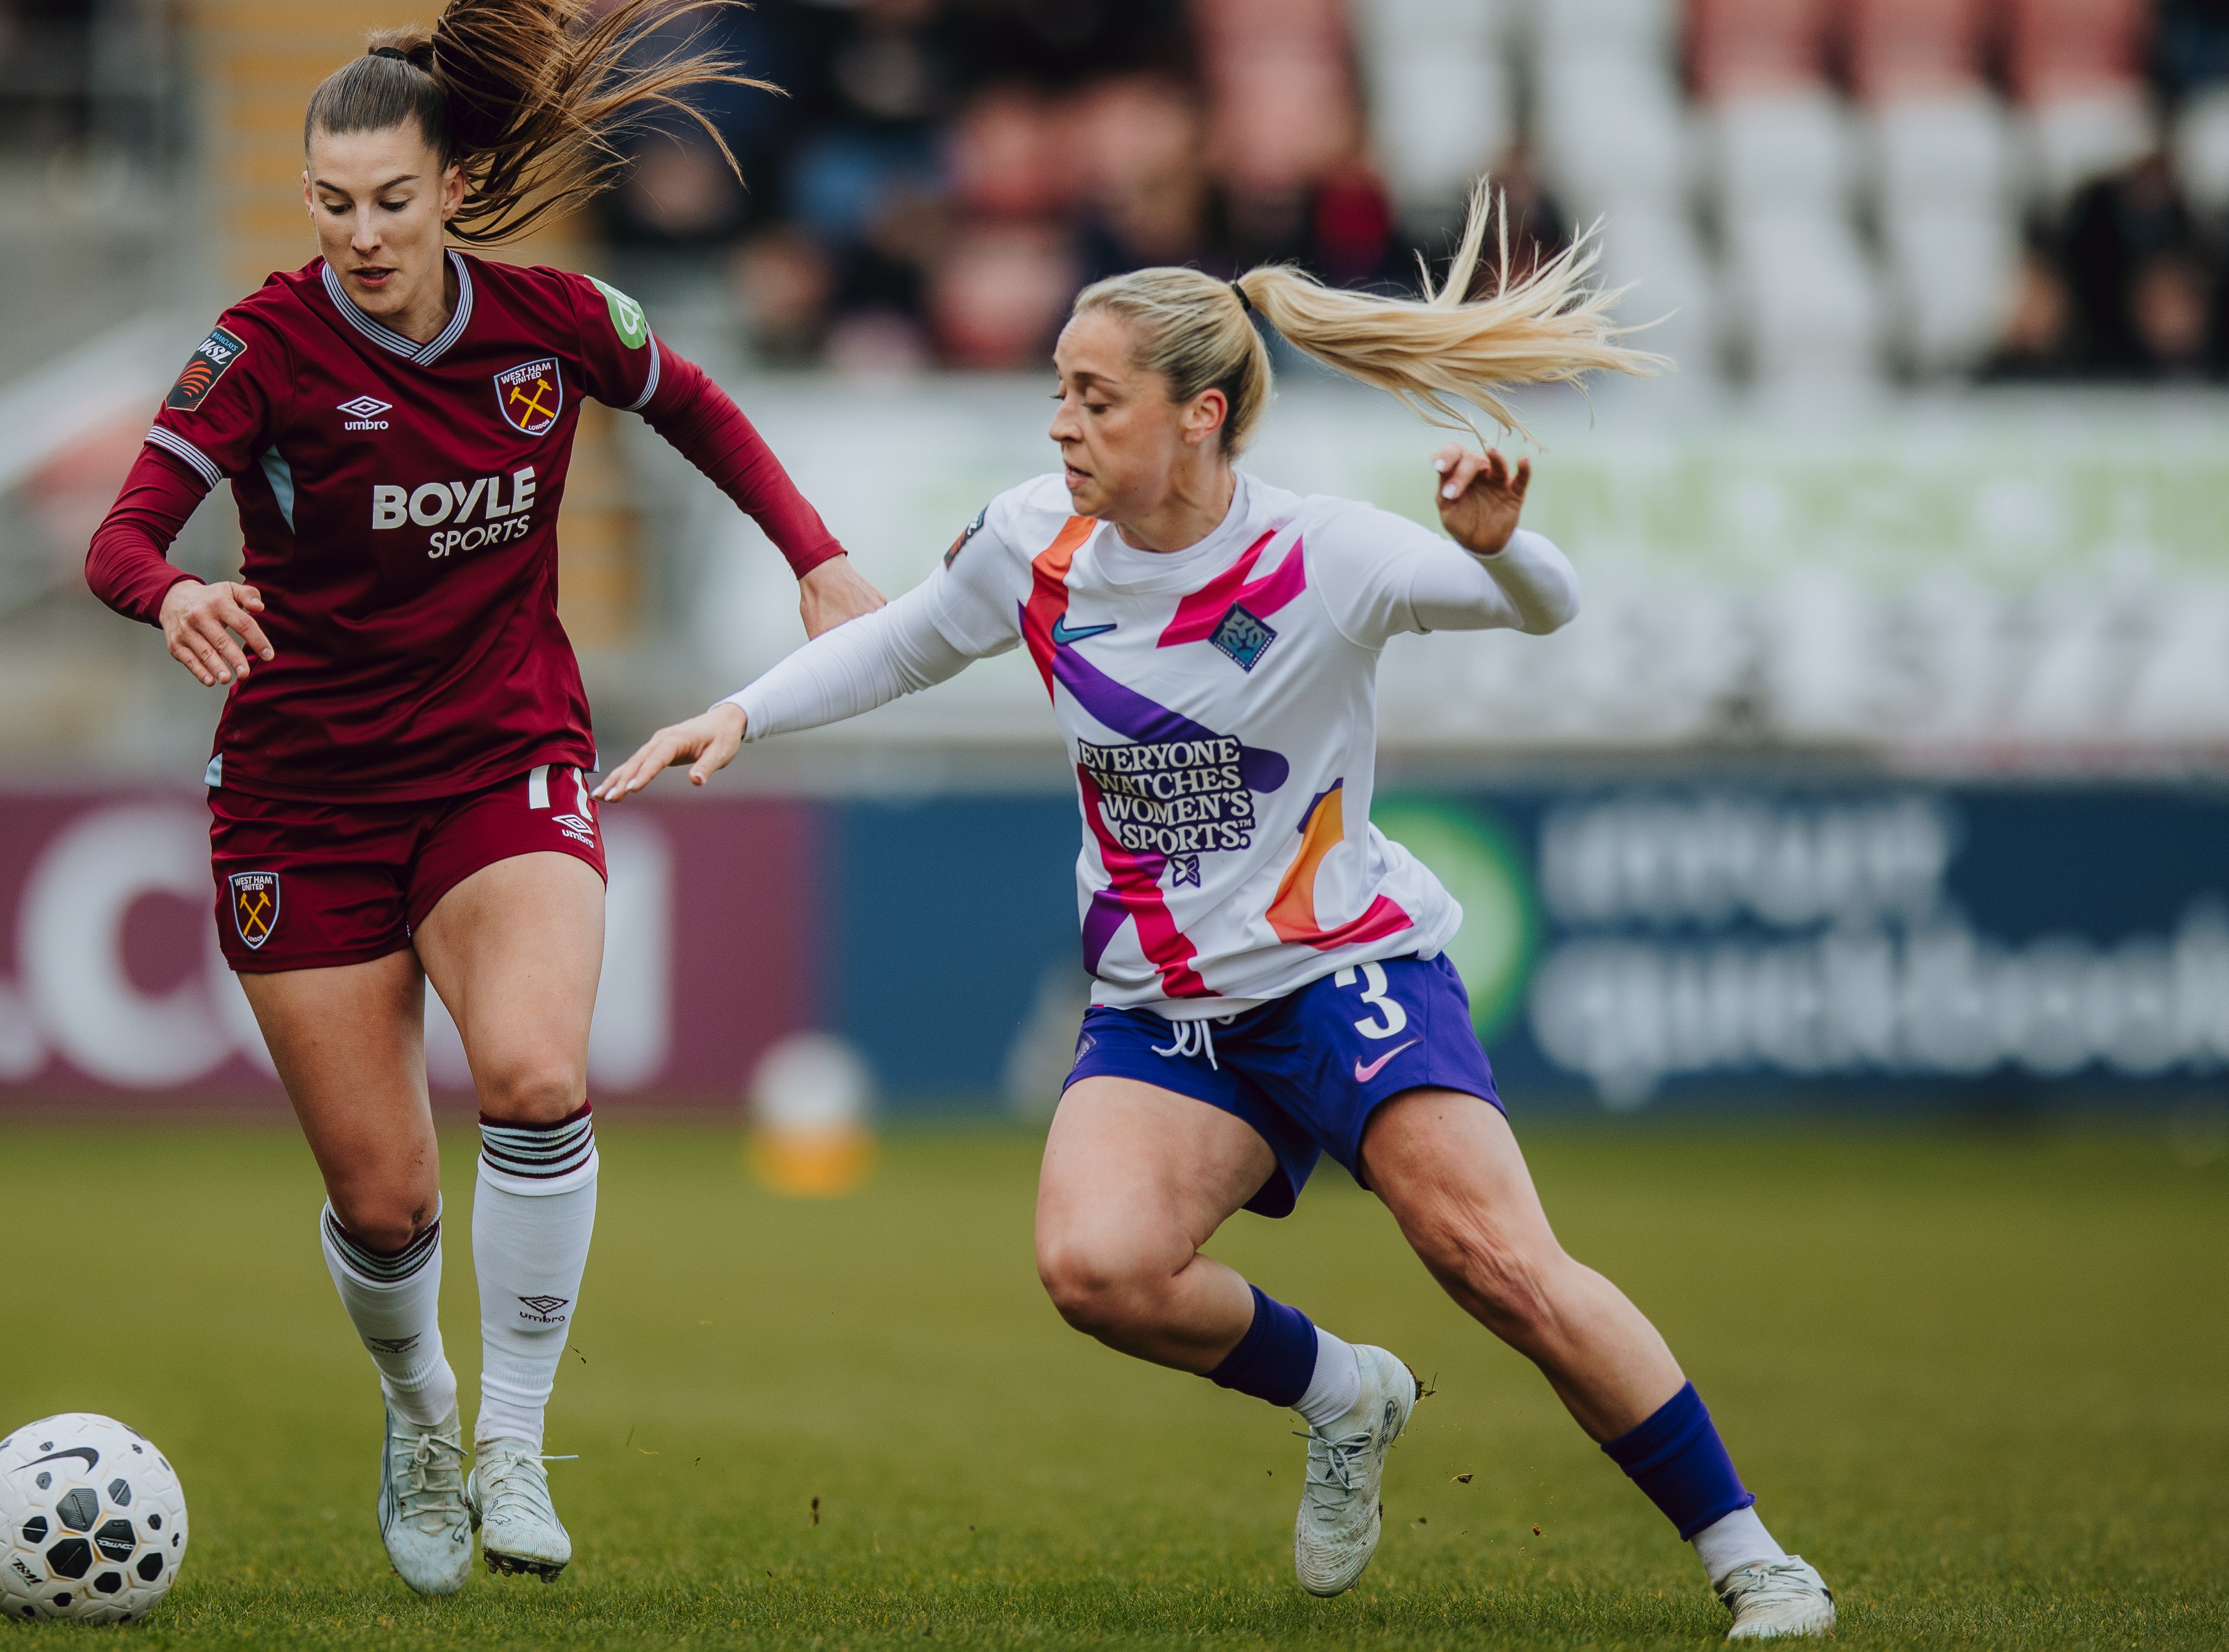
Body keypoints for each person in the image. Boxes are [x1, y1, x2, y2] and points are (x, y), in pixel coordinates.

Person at [599, 188, 1838, 1640]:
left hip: (1344, 969)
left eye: (1095, 396)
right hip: (1163, 1005)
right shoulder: (1033, 545)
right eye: (1058, 389)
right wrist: (743, 710)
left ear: (1199, 416)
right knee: (1099, 1269)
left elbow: (1545, 606)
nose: (1059, 423)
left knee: (1495, 1260)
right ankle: (1347, 1392)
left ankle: (1755, 1557)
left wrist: (1503, 545)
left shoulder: (1319, 553)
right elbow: (905, 645)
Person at [81, 0, 888, 1598]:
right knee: (383, 1206)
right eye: (330, 202)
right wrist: (168, 596)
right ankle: (420, 1408)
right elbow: (120, 534)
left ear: (450, 183)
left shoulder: (554, 321)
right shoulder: (259, 351)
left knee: (530, 1075)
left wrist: (817, 556)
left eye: (389, 199)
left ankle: (511, 1441)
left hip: (497, 756)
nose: (360, 233)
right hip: (299, 800)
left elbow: (701, 408)